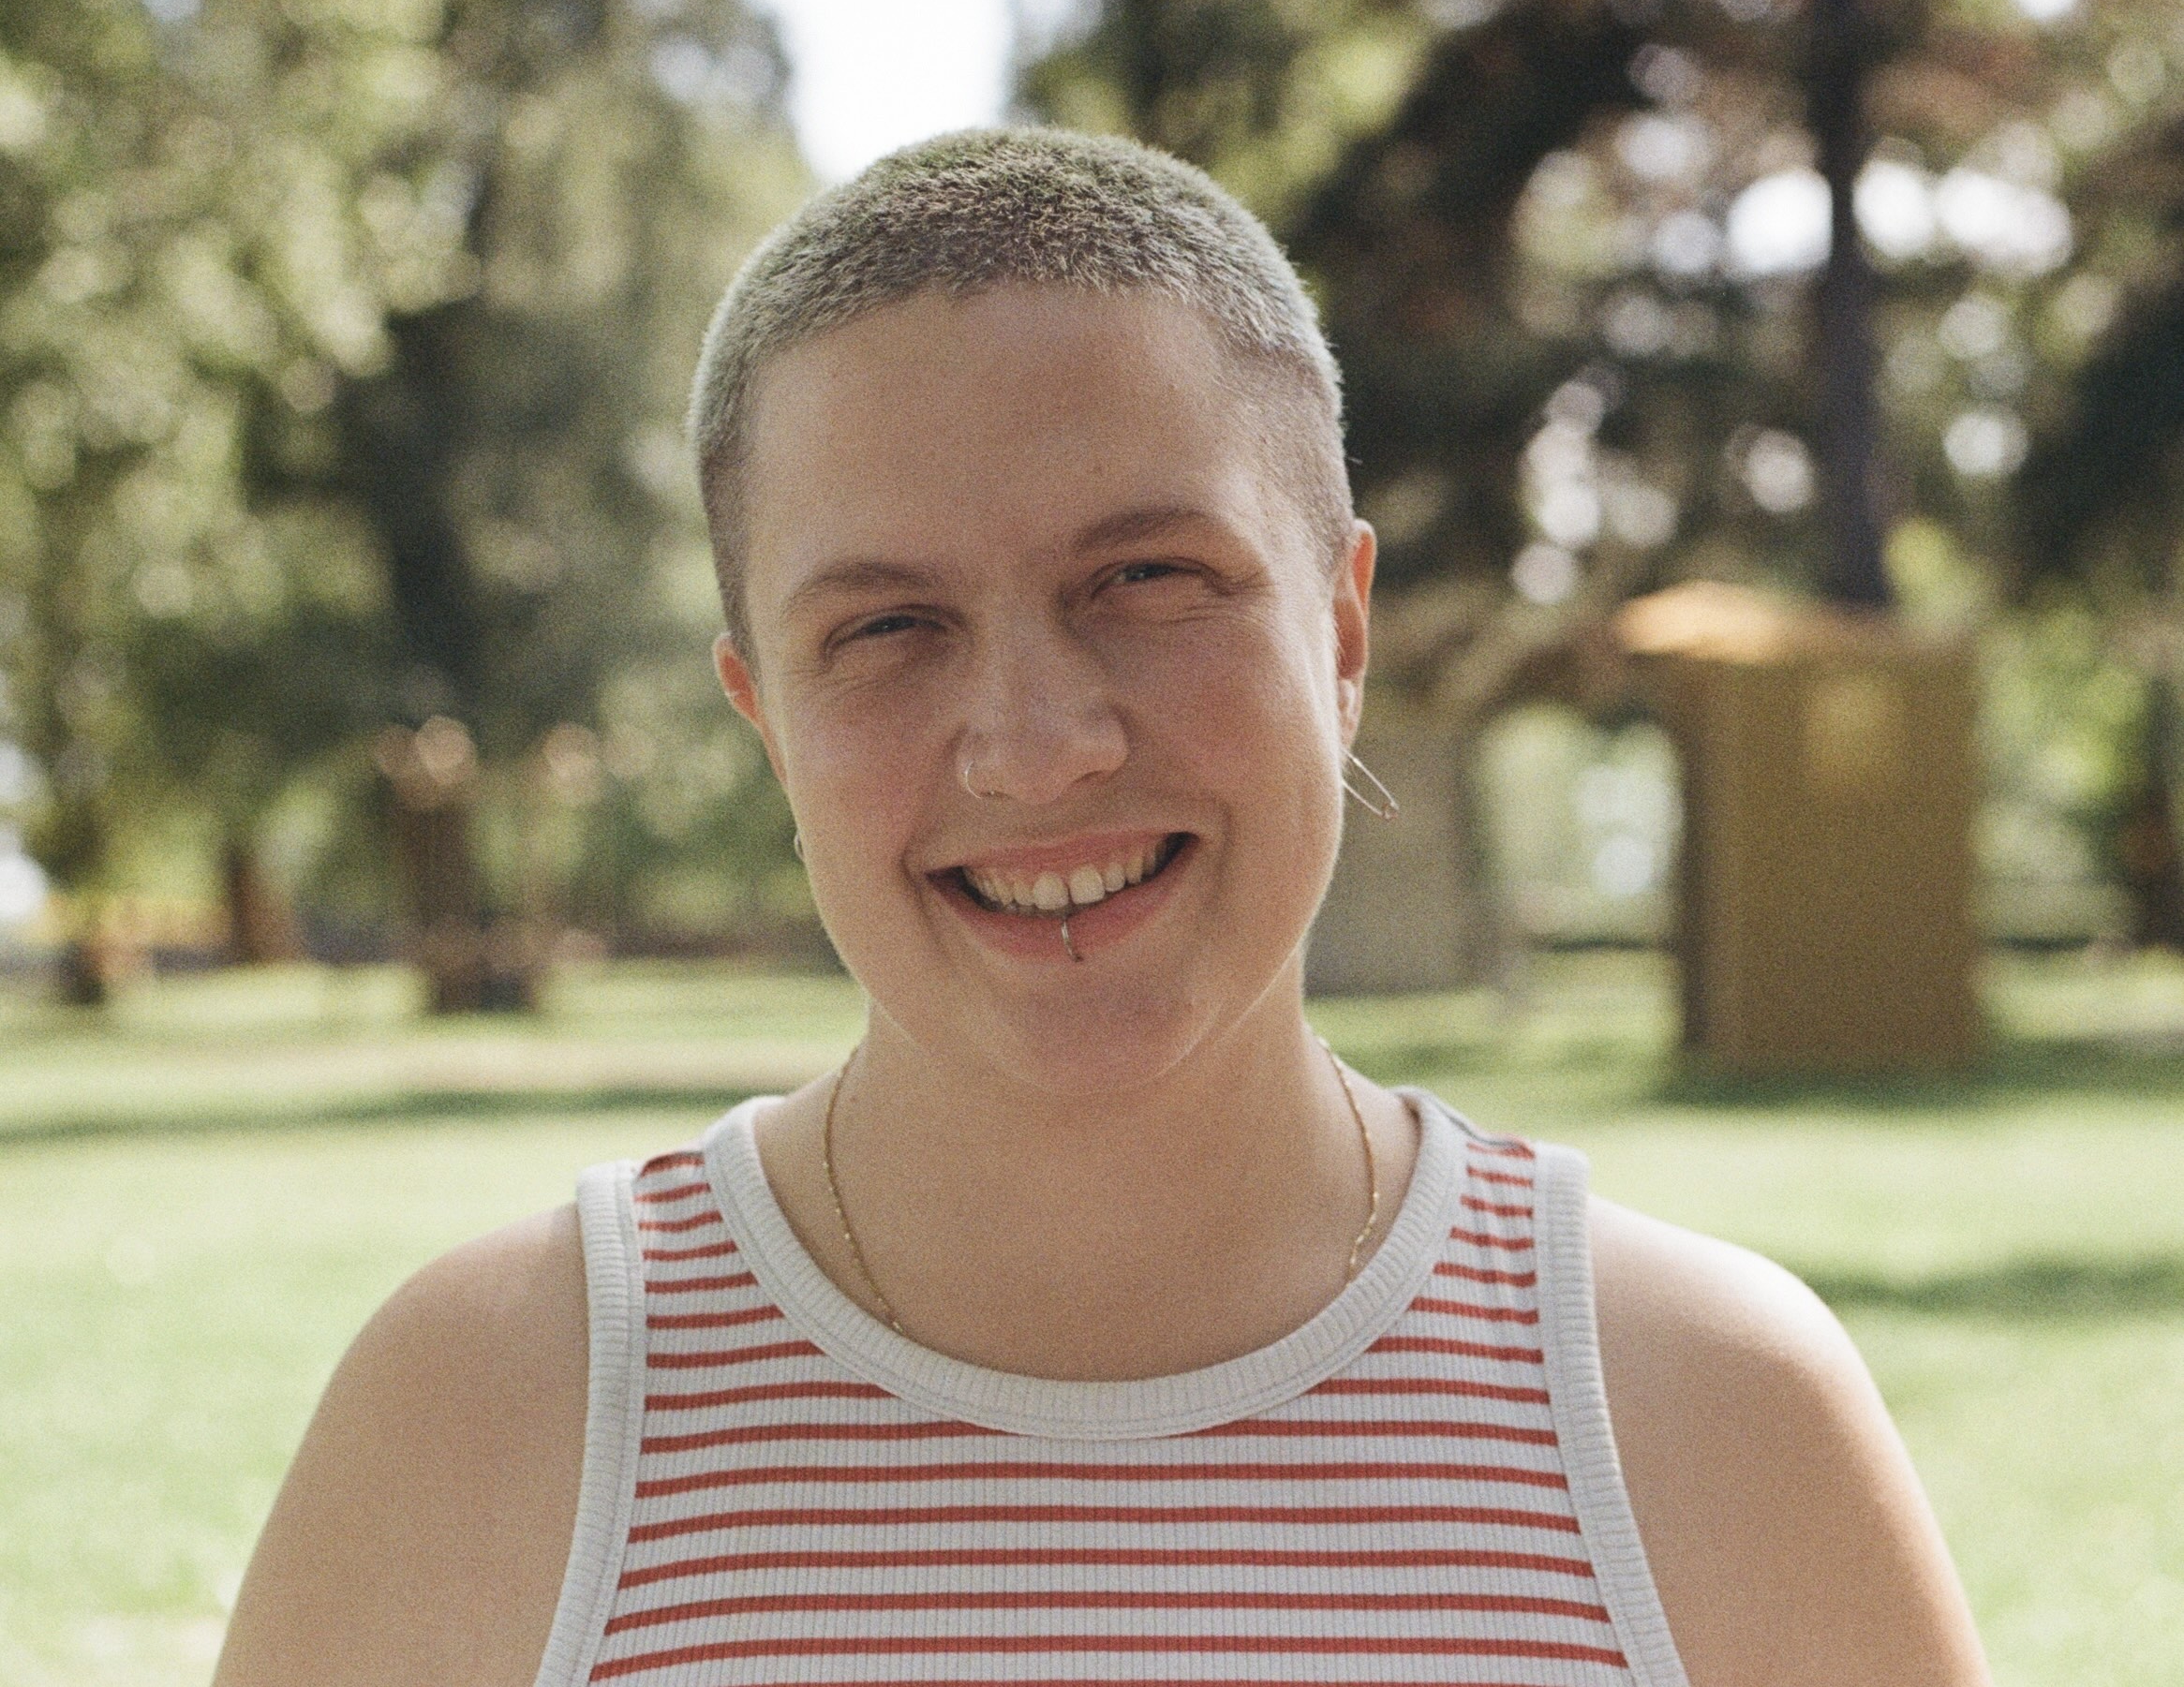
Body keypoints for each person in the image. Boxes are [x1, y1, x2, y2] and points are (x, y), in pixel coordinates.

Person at [213, 128, 1991, 1687]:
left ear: (1342, 633)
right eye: (886, 627)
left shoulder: (1707, 1420)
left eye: (1147, 576)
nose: (1038, 745)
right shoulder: (489, 1421)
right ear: (765, 716)